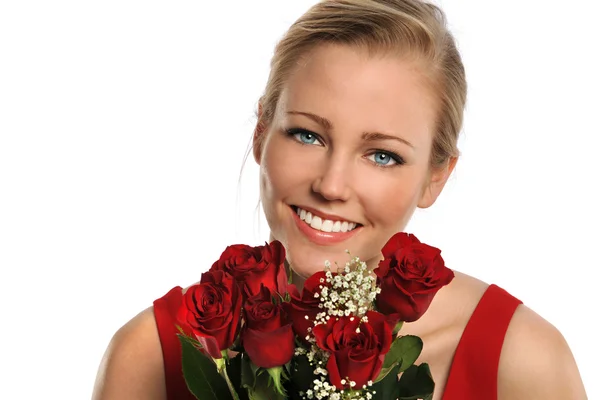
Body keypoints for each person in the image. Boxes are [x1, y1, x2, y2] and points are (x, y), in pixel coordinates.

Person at [92, 0, 587, 399]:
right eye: (307, 135)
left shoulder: (521, 360)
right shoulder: (149, 357)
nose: (331, 185)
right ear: (262, 132)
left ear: (437, 176)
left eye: (383, 156)